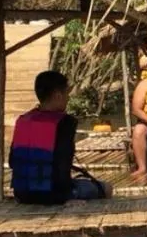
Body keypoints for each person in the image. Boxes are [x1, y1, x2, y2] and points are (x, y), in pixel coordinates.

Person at [9, 70, 113, 204]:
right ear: (58, 95)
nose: (68, 99)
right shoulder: (65, 122)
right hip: (53, 194)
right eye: (66, 94)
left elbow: (12, 161)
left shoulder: (23, 120)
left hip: (22, 194)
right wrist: (65, 198)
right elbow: (63, 164)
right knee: (107, 188)